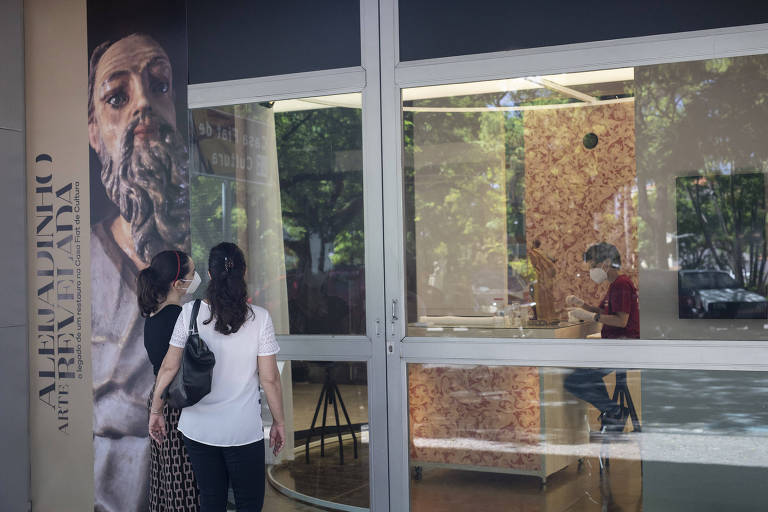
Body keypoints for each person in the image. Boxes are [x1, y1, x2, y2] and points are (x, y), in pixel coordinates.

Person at [88, 33, 190, 511]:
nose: (144, 105)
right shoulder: (78, 261)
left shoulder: (202, 259)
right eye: (117, 97)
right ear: (94, 133)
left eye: (160, 86)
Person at [149, 242, 286, 512]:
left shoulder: (190, 313)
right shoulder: (260, 318)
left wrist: (156, 410)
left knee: (211, 500)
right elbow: (269, 379)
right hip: (243, 431)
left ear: (210, 275)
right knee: (249, 503)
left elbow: (168, 367)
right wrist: (279, 422)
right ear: (243, 272)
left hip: (198, 428)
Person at [137, 250, 201, 511]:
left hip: (160, 397)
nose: (196, 278)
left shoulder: (153, 318)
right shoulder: (179, 318)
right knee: (183, 478)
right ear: (177, 284)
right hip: (175, 402)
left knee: (165, 478)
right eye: (192, 273)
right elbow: (175, 366)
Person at [564, 242, 639, 432]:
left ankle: (614, 411)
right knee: (586, 374)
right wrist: (583, 305)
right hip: (613, 348)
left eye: (592, 266)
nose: (591, 271)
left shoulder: (622, 284)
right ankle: (613, 413)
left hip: (622, 350)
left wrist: (591, 316)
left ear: (606, 263)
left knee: (574, 380)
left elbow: (621, 321)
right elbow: (603, 311)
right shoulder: (614, 285)